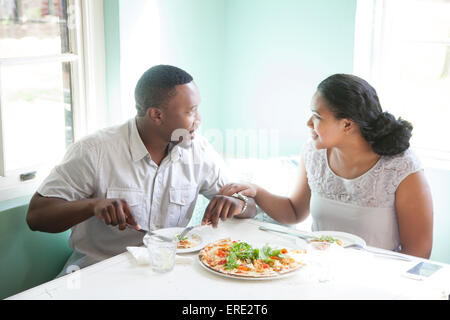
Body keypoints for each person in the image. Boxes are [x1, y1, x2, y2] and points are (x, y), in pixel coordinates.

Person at [26, 64, 257, 274]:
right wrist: (93, 205)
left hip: (165, 275)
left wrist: (239, 203)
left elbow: (250, 206)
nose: (199, 119)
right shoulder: (94, 151)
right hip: (98, 277)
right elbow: (36, 216)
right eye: (190, 111)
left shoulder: (198, 151)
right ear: (156, 115)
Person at [220, 74, 433, 258]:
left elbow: (418, 252)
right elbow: (294, 212)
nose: (308, 123)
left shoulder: (402, 167)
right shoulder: (314, 153)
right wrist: (256, 191)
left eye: (317, 116)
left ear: (347, 124)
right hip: (318, 271)